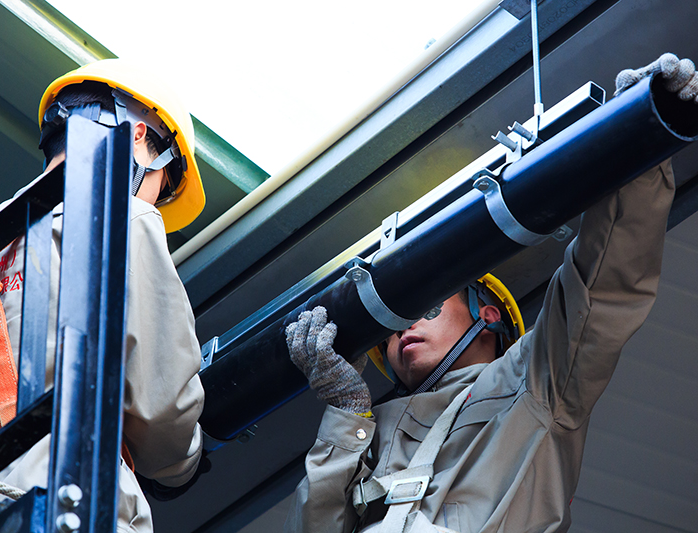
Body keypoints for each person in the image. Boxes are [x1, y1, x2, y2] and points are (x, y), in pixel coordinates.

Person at [284, 53, 698, 533]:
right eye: (388, 331)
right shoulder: (366, 437)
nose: (404, 331)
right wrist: (346, 415)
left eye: (427, 307)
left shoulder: (537, 384)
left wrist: (638, 138)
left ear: (490, 313)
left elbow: (603, 291)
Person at [0, 59, 205, 533]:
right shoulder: (123, 216)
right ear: (137, 136)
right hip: (70, 507)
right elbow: (165, 415)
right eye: (161, 186)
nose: (151, 203)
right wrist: (187, 458)